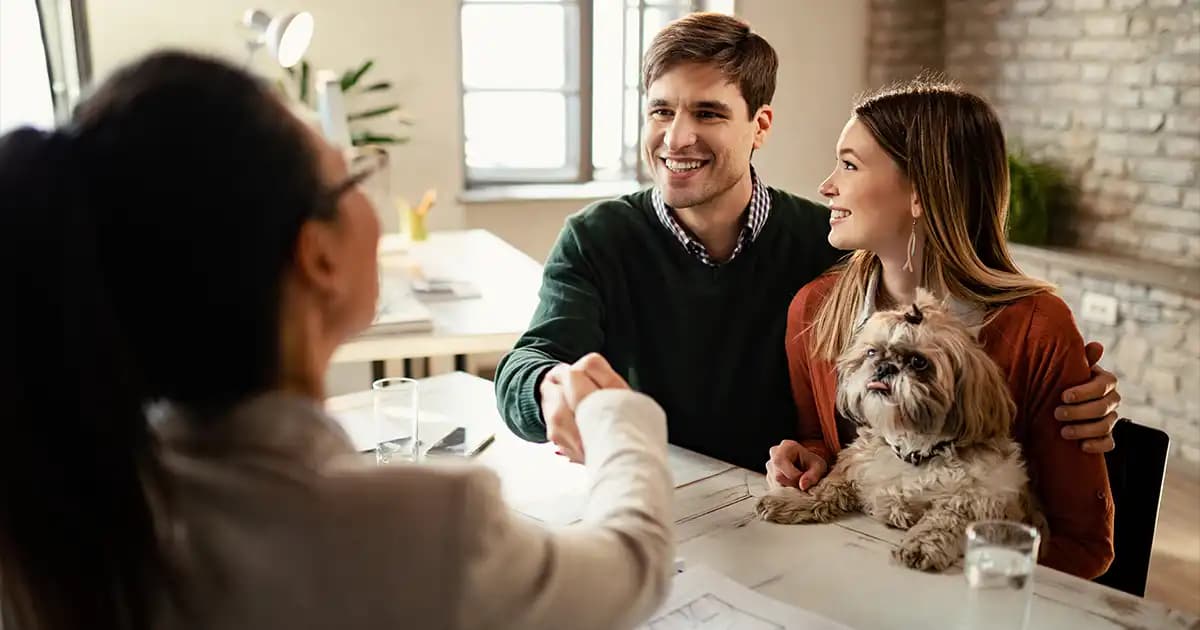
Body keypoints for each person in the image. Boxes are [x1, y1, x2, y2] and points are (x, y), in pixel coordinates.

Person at [0, 51, 672, 630]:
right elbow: (634, 565)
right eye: (352, 175)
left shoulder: (61, 511)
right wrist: (616, 417)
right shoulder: (423, 528)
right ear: (317, 255)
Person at [494, 12, 1121, 473]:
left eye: (708, 113)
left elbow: (952, 334)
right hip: (654, 500)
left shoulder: (839, 255)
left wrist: (1069, 385)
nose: (675, 138)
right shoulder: (597, 238)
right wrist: (549, 386)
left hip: (789, 513)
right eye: (660, 111)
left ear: (759, 124)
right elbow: (525, 366)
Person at [765, 78, 1114, 579]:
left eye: (849, 164)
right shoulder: (816, 308)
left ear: (922, 192)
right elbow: (822, 439)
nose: (826, 186)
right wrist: (808, 462)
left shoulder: (1038, 327)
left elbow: (1084, 545)